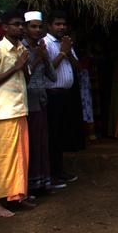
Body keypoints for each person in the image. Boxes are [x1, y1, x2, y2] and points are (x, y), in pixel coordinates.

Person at [0, 10, 31, 217]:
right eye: (15, 24)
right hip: (4, 111)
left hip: (20, 108)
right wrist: (16, 66)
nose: (20, 27)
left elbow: (25, 78)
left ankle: (16, 196)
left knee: (20, 158)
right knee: (1, 159)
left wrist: (24, 66)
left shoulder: (22, 49)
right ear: (4, 27)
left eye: (22, 24)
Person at [44, 11, 81, 185]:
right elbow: (49, 70)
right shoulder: (46, 43)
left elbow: (77, 66)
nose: (61, 27)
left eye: (63, 24)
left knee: (61, 134)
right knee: (53, 135)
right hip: (52, 95)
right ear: (49, 26)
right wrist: (63, 53)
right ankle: (52, 174)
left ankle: (60, 170)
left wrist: (68, 50)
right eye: (57, 24)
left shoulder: (65, 42)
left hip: (66, 94)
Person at [23, 11, 57, 194]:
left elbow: (52, 76)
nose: (36, 30)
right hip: (27, 102)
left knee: (42, 143)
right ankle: (31, 186)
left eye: (39, 26)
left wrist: (44, 57)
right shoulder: (21, 49)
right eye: (32, 26)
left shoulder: (42, 47)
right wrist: (36, 57)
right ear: (26, 28)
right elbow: (23, 75)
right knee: (32, 145)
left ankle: (43, 183)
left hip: (41, 100)